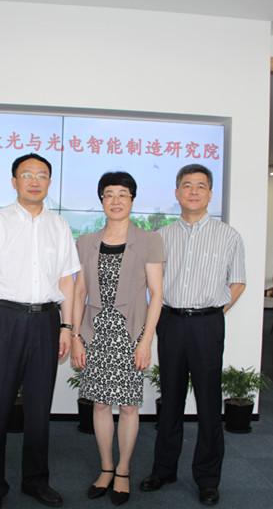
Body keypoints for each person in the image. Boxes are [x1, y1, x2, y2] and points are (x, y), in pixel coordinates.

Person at [0, 153, 80, 509]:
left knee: (38, 406)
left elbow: (67, 280)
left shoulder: (59, 226)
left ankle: (36, 481)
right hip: (4, 320)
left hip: (46, 321)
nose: (34, 181)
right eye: (27, 174)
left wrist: (66, 327)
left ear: (50, 182)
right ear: (14, 181)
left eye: (42, 175)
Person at [140, 164, 246, 506]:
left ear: (210, 193)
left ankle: (208, 479)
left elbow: (238, 281)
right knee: (170, 399)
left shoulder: (228, 235)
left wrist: (214, 313)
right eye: (187, 185)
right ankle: (163, 470)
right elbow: (151, 285)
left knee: (209, 404)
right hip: (170, 322)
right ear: (177, 192)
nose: (194, 191)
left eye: (201, 185)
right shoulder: (161, 236)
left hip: (206, 325)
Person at [71, 171, 164, 506]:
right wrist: (76, 337)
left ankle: (123, 469)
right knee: (99, 404)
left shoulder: (149, 240)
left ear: (132, 200)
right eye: (109, 194)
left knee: (128, 406)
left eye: (122, 194)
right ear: (101, 200)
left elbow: (157, 294)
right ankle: (106, 467)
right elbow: (79, 293)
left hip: (130, 334)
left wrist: (146, 341)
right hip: (95, 333)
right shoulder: (86, 242)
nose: (115, 200)